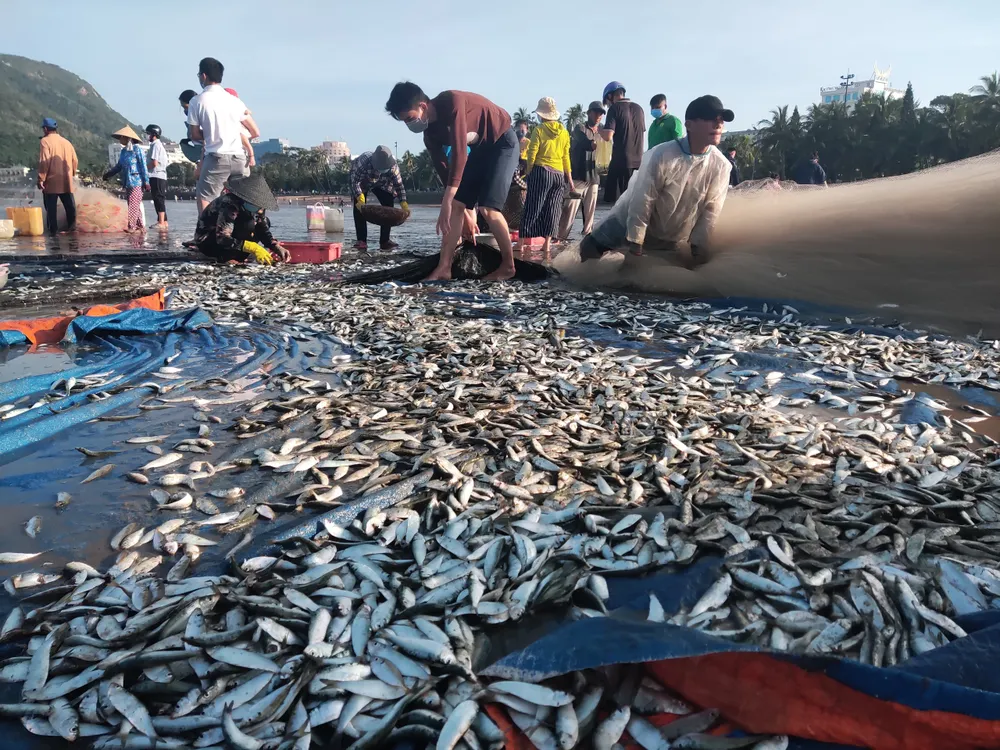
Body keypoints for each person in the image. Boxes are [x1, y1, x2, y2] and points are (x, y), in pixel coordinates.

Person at [385, 82, 519, 281]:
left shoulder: (452, 102)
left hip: (503, 142)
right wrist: (458, 208)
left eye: (410, 118)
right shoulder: (430, 136)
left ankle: (508, 266)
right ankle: (444, 268)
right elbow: (446, 173)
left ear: (423, 106)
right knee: (458, 205)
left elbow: (460, 152)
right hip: (482, 149)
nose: (409, 124)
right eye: (405, 122)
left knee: (488, 209)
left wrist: (446, 202)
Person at [580, 95, 735, 266]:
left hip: (671, 234)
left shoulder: (721, 165)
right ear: (689, 125)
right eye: (709, 119)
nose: (718, 124)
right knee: (588, 249)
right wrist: (636, 241)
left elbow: (711, 210)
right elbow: (643, 199)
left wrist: (698, 249)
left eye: (721, 120)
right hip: (627, 221)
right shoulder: (663, 155)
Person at [186, 58, 261, 212]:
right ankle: (246, 232)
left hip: (216, 158)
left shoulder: (196, 101)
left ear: (204, 76)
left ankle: (207, 233)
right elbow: (255, 132)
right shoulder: (235, 101)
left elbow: (193, 135)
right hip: (240, 159)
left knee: (205, 197)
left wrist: (210, 133)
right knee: (244, 200)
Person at [192, 173, 290, 264]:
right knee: (247, 225)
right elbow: (222, 237)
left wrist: (275, 246)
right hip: (209, 240)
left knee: (263, 222)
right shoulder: (230, 204)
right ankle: (226, 257)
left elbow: (262, 227)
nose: (260, 210)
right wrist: (254, 248)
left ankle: (239, 255)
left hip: (234, 234)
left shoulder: (258, 207)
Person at [519, 97, 572, 258]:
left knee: (532, 207)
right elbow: (565, 157)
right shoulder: (564, 132)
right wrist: (568, 177)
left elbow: (532, 152)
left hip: (542, 171)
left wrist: (528, 171)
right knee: (553, 210)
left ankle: (521, 244)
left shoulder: (539, 130)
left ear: (542, 115)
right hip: (558, 175)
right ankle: (547, 245)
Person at [350, 145, 410, 251]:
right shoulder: (364, 161)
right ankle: (361, 240)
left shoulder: (393, 168)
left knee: (388, 202)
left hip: (382, 183)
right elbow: (355, 181)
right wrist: (360, 197)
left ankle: (385, 241)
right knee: (358, 207)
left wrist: (403, 203)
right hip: (363, 181)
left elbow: (399, 186)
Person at [559, 101, 604, 240]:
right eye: (596, 112)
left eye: (601, 113)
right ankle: (561, 238)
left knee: (590, 215)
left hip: (594, 177)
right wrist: (598, 142)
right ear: (589, 113)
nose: (598, 115)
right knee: (570, 211)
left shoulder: (602, 130)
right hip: (578, 177)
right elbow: (585, 143)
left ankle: (587, 239)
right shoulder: (579, 128)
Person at [599, 82, 645, 203]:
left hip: (621, 162)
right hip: (639, 162)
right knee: (634, 203)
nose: (607, 105)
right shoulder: (639, 108)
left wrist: (599, 130)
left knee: (618, 204)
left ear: (610, 96)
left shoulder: (614, 109)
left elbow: (608, 136)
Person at [103, 126, 149, 233]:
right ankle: (141, 226)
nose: (120, 140)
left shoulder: (138, 150)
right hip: (128, 182)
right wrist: (109, 174)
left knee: (133, 204)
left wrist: (146, 182)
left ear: (127, 138)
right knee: (134, 204)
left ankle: (131, 226)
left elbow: (143, 166)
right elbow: (119, 166)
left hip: (137, 181)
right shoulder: (124, 152)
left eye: (121, 138)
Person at [36, 117, 78, 235]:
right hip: (66, 181)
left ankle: (53, 232)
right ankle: (72, 229)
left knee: (51, 209)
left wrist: (41, 179)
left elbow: (45, 161)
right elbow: (75, 160)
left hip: (52, 181)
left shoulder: (45, 141)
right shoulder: (66, 142)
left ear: (45, 129)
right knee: (70, 207)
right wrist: (71, 174)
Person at [224, 87, 255, 176]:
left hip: (232, 156)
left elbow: (245, 140)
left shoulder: (232, 124)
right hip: (240, 156)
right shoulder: (237, 116)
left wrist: (251, 156)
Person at [145, 125, 168, 227]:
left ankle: (161, 222)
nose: (147, 136)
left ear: (153, 134)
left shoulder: (156, 145)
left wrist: (144, 168)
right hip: (158, 175)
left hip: (157, 174)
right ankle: (164, 221)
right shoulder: (156, 145)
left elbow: (154, 163)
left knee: (158, 198)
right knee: (158, 198)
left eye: (148, 133)